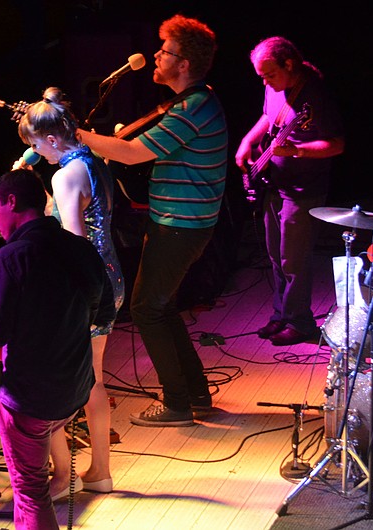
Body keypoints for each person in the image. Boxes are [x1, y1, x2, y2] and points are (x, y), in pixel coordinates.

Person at [77, 13, 226, 427]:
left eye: (165, 51)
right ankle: (196, 395)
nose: (157, 56)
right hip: (179, 222)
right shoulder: (194, 101)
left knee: (146, 309)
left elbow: (130, 153)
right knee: (161, 306)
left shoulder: (191, 108)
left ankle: (177, 405)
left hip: (180, 226)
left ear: (184, 64)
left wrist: (75, 136)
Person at [0, 168, 106, 529]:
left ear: (11, 202)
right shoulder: (80, 248)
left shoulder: (8, 258)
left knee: (31, 492)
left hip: (31, 399)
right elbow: (102, 311)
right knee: (31, 494)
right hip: (75, 389)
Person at [16, 87, 124, 499]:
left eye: (36, 145)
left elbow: (73, 239)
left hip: (82, 287)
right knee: (93, 378)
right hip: (109, 277)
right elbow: (76, 214)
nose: (36, 153)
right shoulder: (92, 162)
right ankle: (99, 472)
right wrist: (40, 195)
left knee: (55, 380)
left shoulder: (64, 174)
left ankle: (62, 476)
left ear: (52, 139)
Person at [234, 36, 345, 346]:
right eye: (261, 76)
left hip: (304, 188)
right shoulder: (274, 87)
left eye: (270, 74)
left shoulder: (316, 95)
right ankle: (281, 314)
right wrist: (247, 141)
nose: (265, 82)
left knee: (293, 260)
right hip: (274, 181)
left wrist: (297, 151)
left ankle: (300, 322)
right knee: (275, 256)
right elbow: (269, 116)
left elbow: (337, 144)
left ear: (289, 64)